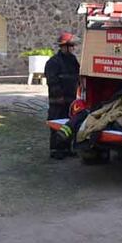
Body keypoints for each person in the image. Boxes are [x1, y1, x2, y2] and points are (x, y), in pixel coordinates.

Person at [44, 31, 80, 159]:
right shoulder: (53, 62)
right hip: (57, 100)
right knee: (56, 123)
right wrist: (58, 96)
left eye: (72, 46)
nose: (72, 48)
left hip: (71, 99)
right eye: (70, 46)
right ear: (63, 46)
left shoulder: (73, 60)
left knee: (68, 123)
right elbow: (52, 81)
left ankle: (66, 148)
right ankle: (55, 150)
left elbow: (77, 76)